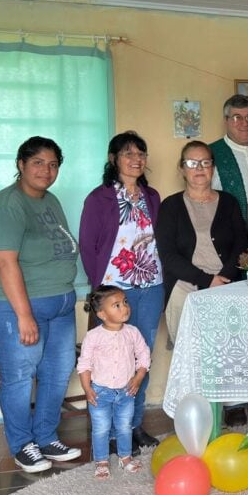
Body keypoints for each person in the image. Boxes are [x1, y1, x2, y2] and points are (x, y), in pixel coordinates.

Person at [0, 136, 82, 473]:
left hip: (58, 304)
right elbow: (6, 264)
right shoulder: (7, 206)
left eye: (53, 164)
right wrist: (24, 315)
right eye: (37, 163)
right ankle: (23, 445)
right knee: (20, 375)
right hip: (10, 307)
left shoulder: (49, 200)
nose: (46, 170)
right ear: (20, 165)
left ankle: (46, 437)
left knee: (58, 372)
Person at [78, 131, 163, 454]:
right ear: (114, 159)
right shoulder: (99, 198)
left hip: (151, 286)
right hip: (116, 287)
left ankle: (133, 425)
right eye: (128, 153)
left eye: (141, 153)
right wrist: (100, 288)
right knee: (112, 359)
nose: (136, 159)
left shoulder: (151, 196)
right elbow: (88, 245)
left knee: (142, 356)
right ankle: (109, 430)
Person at [155, 141, 248, 342]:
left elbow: (242, 244)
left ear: (213, 168)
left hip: (227, 285)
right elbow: (168, 256)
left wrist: (222, 279)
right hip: (185, 290)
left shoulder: (229, 202)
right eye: (191, 163)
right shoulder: (170, 206)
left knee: (228, 352)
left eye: (205, 162)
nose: (199, 168)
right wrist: (206, 280)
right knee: (190, 357)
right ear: (182, 168)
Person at [78, 286, 151, 479]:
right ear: (102, 313)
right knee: (101, 428)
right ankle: (101, 461)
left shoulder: (132, 332)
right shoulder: (93, 336)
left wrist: (138, 377)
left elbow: (144, 355)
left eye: (125, 302)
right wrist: (87, 388)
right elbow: (84, 364)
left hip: (126, 392)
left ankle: (125, 457)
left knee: (124, 426)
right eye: (116, 305)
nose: (125, 308)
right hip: (100, 392)